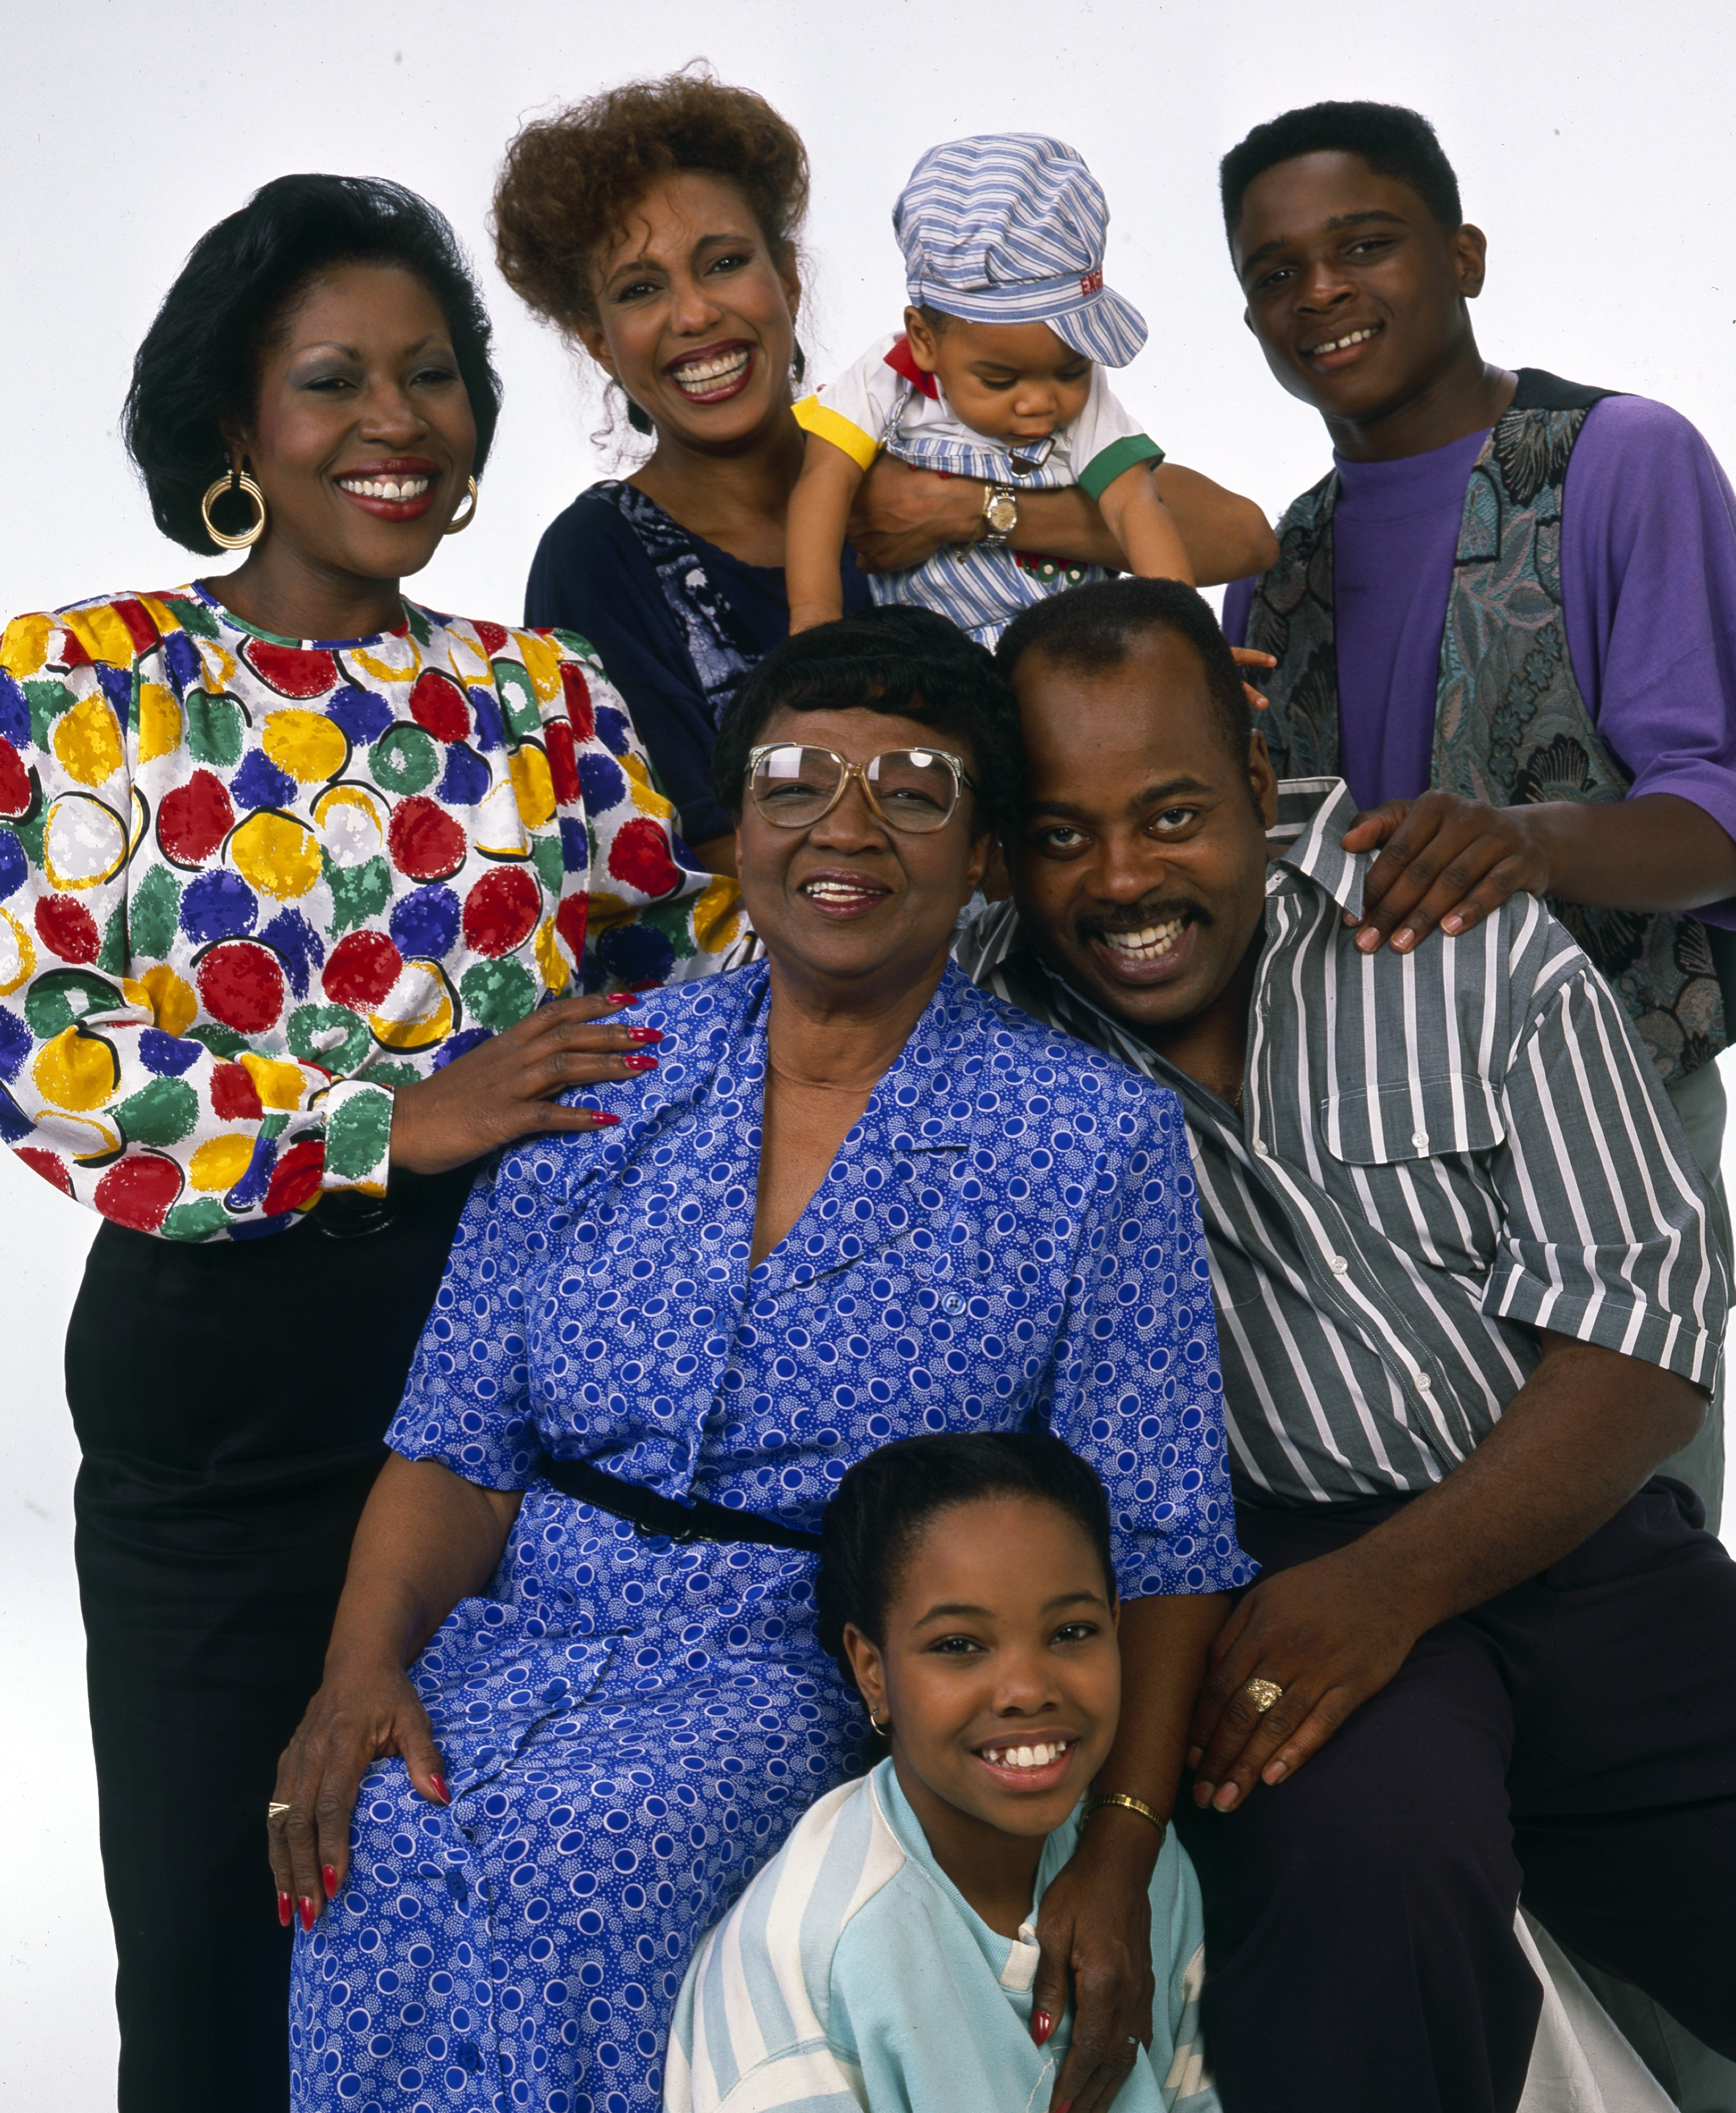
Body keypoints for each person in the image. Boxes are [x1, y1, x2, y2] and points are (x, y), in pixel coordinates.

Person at [275, 607, 1252, 2113]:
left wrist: (1118, 1849)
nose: (844, 828)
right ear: (736, 831)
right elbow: (458, 1445)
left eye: (912, 790)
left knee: (583, 1865)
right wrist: (357, 1673)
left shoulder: (1085, 1140)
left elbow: (1164, 1533)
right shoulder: (603, 1070)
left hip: (805, 1664)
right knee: (374, 1828)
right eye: (796, 782)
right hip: (527, 1641)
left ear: (982, 850)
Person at [0, 173, 744, 2113]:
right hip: (224, 1405)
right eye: (331, 379)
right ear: (233, 423)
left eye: (432, 375)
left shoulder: (538, 701)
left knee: (463, 1928)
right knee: (221, 1948)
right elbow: (46, 1044)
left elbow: (693, 983)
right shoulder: (70, 688)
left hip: (505, 1394)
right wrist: (390, 1118)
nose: (392, 421)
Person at [953, 577, 1736, 2113]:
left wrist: (1392, 1585)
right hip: (1251, 1578)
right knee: (1365, 1898)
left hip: (1554, 1524)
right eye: (1059, 834)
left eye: (1171, 814)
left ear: (1256, 783)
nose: (1120, 878)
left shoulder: (1460, 936)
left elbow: (1643, 1331)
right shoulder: (977, 1006)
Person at [1216, 100, 1736, 1516]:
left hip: (1611, 1090)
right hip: (1368, 1148)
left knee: (1624, 1528)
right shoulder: (1277, 562)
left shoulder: (1615, 459)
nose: (1316, 291)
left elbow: (1712, 804)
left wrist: (1532, 838)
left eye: (1361, 244)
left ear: (1462, 254)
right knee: (1412, 1545)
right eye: (1271, 271)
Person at [497, 69, 1278, 873]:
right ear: (597, 339)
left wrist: (970, 508)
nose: (693, 313)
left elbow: (1238, 536)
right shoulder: (599, 556)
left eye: (724, 262)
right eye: (640, 289)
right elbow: (690, 857)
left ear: (787, 278)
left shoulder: (912, 433)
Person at [666, 1431, 1221, 2113]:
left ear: (1115, 1625)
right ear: (873, 1672)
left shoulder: (1142, 1864)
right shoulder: (808, 1954)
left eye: (1071, 1632)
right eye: (958, 1645)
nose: (1026, 1689)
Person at [785, 133, 1193, 639]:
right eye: (999, 380)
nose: (1040, 403)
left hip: (1073, 649)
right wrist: (814, 622)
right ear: (924, 340)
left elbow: (1136, 505)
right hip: (935, 659)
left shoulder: (1089, 407)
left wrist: (1187, 642)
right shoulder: (884, 378)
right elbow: (823, 481)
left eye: (1071, 373)